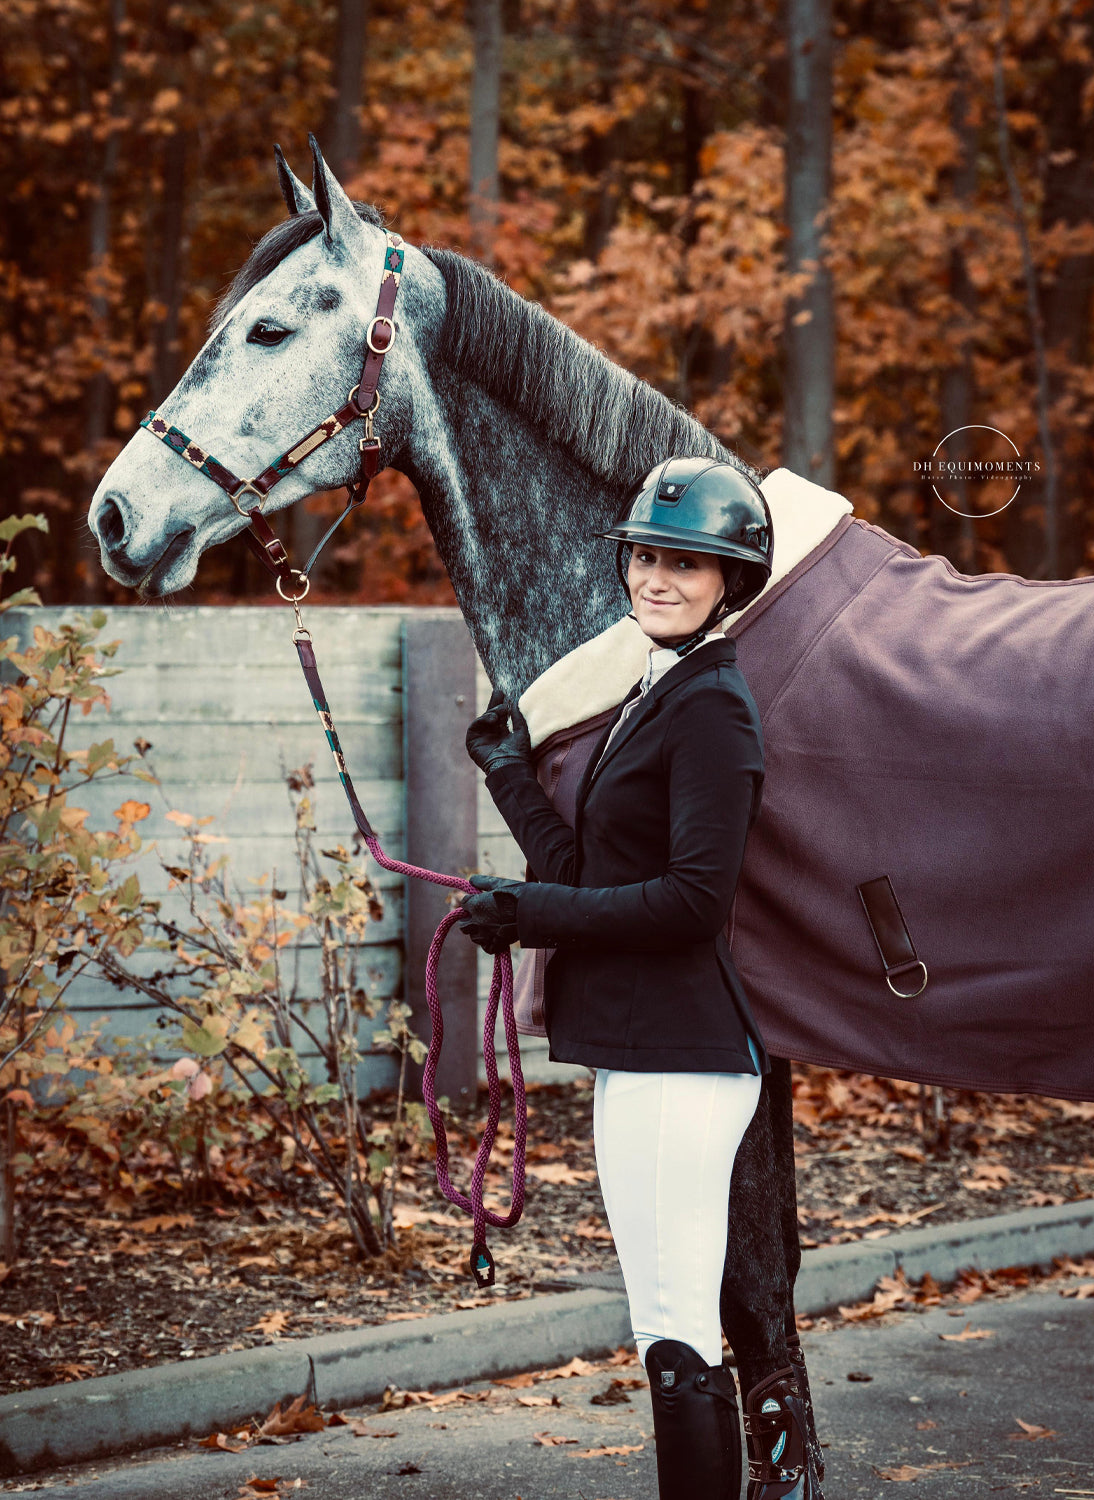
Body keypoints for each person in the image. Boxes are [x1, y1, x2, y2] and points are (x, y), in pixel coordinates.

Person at [460, 456, 799, 1500]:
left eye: (685, 563)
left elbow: (696, 902)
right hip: (643, 1057)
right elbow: (591, 877)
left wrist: (534, 916)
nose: (656, 577)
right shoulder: (658, 692)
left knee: (675, 1332)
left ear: (729, 581)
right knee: (667, 1326)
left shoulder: (712, 709)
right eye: (646, 556)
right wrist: (510, 777)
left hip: (685, 1060)